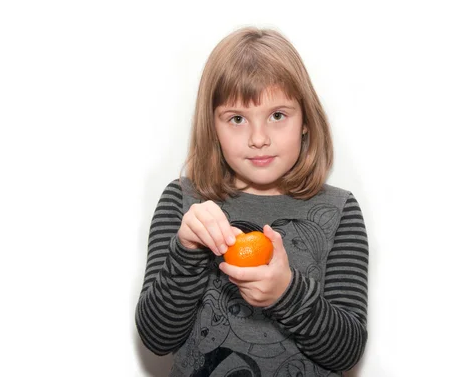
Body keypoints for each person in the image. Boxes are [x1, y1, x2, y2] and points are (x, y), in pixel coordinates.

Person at [135, 26, 369, 376]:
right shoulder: (183, 203)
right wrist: (186, 251)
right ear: (212, 126)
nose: (258, 138)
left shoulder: (338, 212)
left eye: (277, 115)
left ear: (305, 121)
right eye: (237, 119)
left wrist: (286, 293)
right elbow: (156, 337)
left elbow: (346, 352)